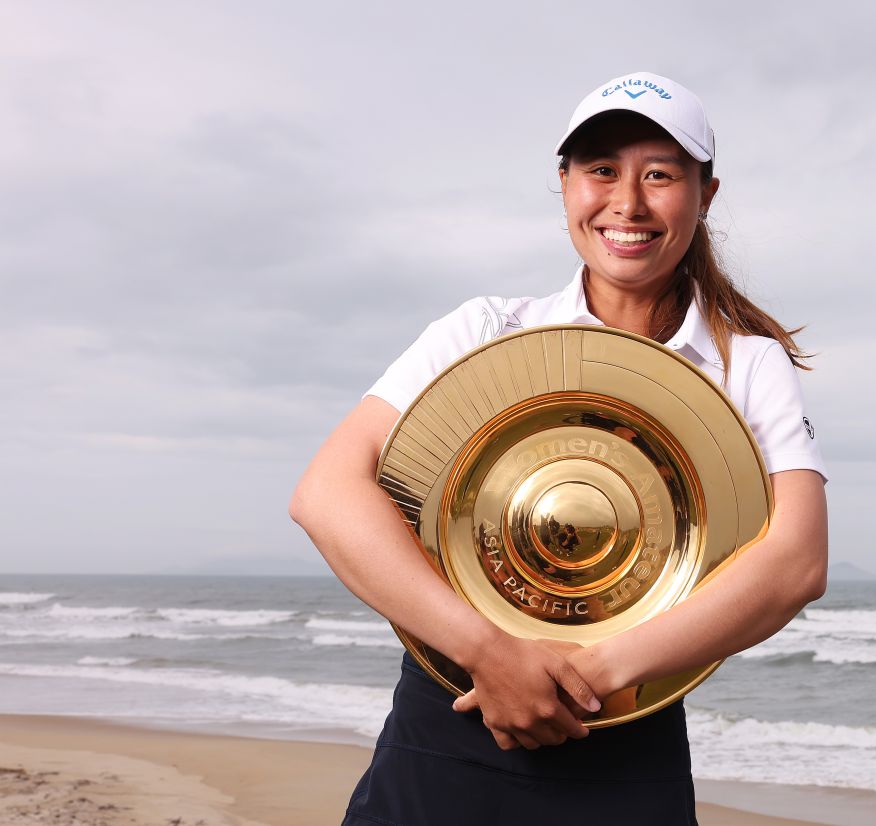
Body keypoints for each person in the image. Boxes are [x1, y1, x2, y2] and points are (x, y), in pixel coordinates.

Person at [290, 71, 829, 825]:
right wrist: (489, 654)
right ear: (566, 184)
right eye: (601, 169)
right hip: (450, 724)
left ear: (705, 196)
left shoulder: (747, 365)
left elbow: (797, 562)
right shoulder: (485, 331)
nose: (627, 202)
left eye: (661, 175)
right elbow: (326, 493)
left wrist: (584, 675)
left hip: (625, 740)